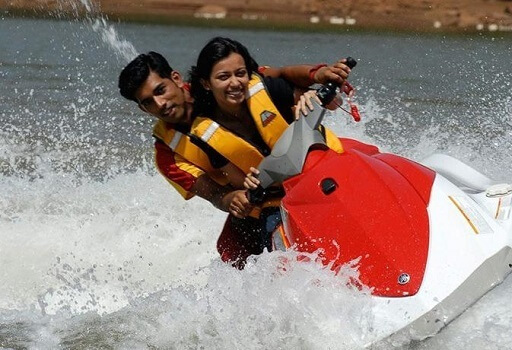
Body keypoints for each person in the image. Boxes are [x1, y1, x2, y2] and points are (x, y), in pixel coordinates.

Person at [118, 50, 351, 265]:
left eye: (160, 90)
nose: (160, 104)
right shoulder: (167, 156)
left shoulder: (219, 83)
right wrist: (230, 199)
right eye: (147, 102)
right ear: (142, 109)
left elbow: (277, 75)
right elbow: (213, 195)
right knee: (239, 253)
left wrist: (317, 74)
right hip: (262, 203)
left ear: (176, 79)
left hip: (313, 167)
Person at [187, 36, 352, 263]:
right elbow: (235, 181)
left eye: (240, 74)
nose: (235, 83)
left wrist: (310, 95)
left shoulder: (267, 89)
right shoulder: (204, 133)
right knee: (274, 232)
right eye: (223, 77)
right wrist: (248, 184)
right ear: (206, 83)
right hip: (274, 203)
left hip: (322, 179)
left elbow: (331, 102)